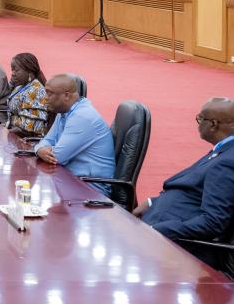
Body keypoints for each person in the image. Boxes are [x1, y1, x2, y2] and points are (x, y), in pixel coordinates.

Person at [135, 98, 234, 269]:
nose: (198, 124)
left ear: (213, 124)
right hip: (158, 224)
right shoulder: (224, 150)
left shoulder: (227, 162)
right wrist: (153, 202)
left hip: (176, 245)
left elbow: (212, 222)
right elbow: (194, 189)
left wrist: (158, 230)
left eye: (200, 119)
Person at [34, 74, 115, 194]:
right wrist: (39, 150)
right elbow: (47, 140)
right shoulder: (63, 112)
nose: (45, 98)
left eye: (49, 93)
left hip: (91, 189)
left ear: (66, 95)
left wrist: (43, 149)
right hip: (71, 179)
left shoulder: (82, 117)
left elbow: (57, 157)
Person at [6, 53, 49, 137]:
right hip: (13, 134)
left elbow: (29, 129)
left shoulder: (35, 91)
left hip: (26, 141)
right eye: (12, 70)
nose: (13, 73)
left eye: (16, 70)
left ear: (29, 71)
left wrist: (4, 133)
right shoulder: (22, 86)